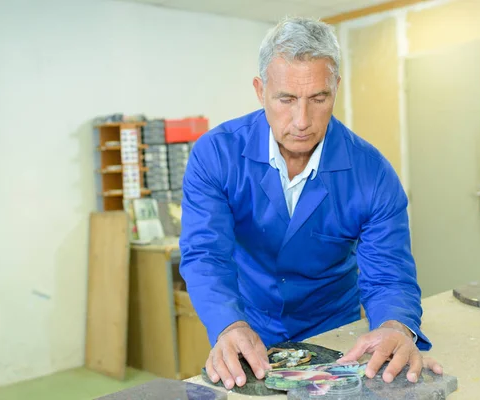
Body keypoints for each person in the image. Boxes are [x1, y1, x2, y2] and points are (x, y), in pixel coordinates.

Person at [179, 16, 442, 391]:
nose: (302, 120)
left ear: (336, 88)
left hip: (336, 330)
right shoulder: (216, 154)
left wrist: (394, 326)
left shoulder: (373, 173)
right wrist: (229, 323)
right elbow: (205, 255)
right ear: (260, 90)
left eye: (319, 99)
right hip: (246, 325)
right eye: (286, 99)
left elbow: (389, 273)